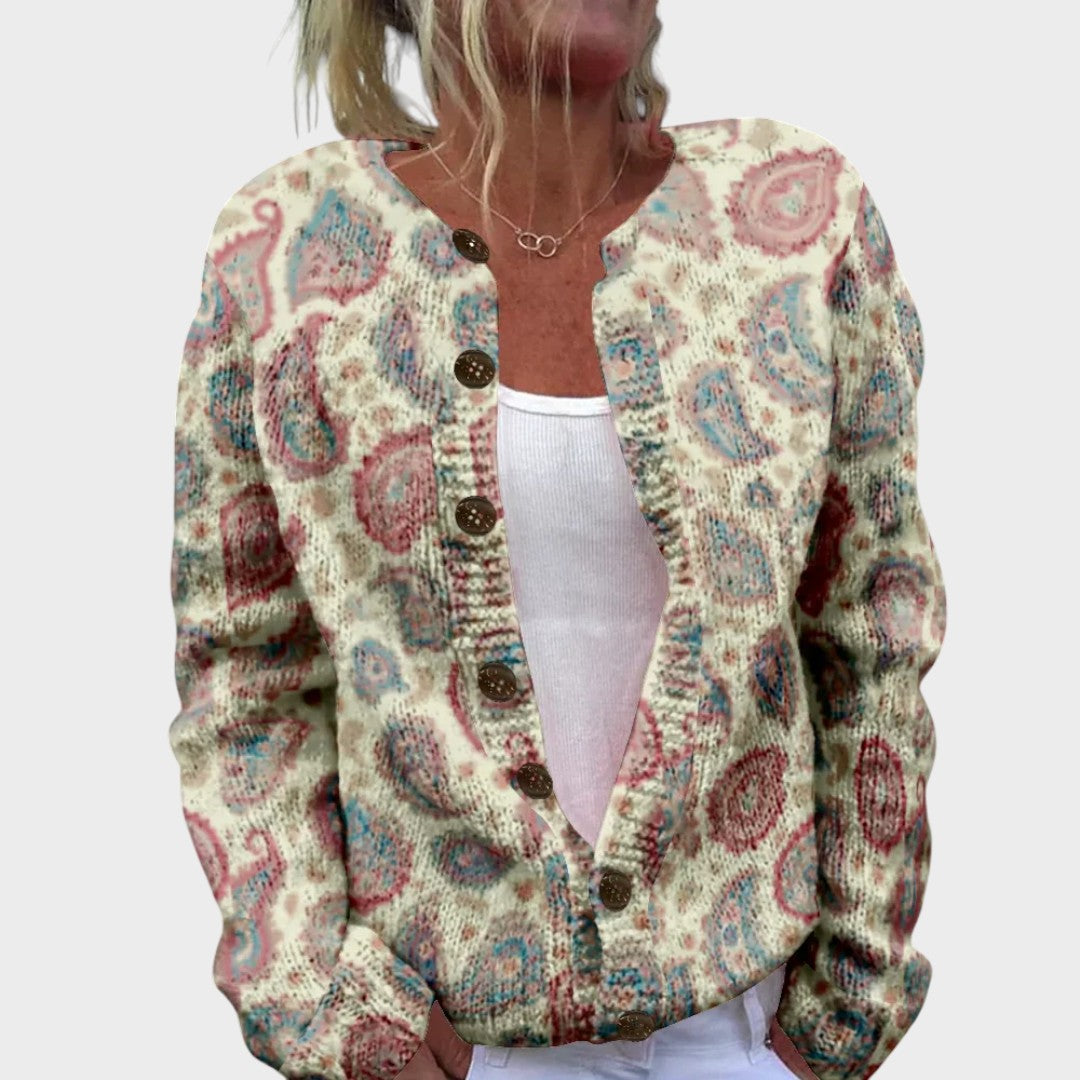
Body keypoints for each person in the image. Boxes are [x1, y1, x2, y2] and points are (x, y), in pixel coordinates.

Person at [168, 2, 946, 1079]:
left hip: (743, 1037)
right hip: (438, 1042)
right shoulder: (287, 250)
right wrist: (329, 1009)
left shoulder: (794, 218)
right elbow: (247, 675)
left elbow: (872, 631)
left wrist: (837, 1022)